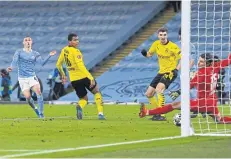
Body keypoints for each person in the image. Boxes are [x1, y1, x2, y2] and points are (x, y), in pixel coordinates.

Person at [139, 53, 231, 124]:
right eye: (199, 60)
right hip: (212, 101)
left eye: (202, 61)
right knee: (220, 120)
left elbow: (190, 85)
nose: (198, 63)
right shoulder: (216, 66)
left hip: (204, 102)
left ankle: (147, 112)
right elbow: (229, 60)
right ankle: (147, 112)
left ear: (208, 63)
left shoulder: (201, 73)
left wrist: (178, 92)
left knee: (175, 105)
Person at [56, 33, 105, 120]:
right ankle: (100, 114)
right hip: (83, 77)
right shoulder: (76, 51)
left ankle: (80, 106)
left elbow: (58, 65)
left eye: (77, 40)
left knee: (84, 99)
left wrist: (63, 75)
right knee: (97, 92)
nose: (77, 42)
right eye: (74, 40)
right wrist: (90, 77)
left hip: (74, 80)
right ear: (69, 41)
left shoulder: (64, 50)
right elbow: (81, 66)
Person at [7, 36, 56, 118]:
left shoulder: (35, 54)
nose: (28, 41)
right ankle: (35, 109)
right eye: (26, 40)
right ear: (23, 43)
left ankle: (41, 114)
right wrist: (11, 67)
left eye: (29, 40)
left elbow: (42, 63)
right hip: (22, 78)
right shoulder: (19, 52)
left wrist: (49, 55)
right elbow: (14, 61)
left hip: (32, 77)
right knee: (28, 97)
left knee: (38, 92)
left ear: (31, 42)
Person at [141, 27, 181, 121]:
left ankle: (162, 115)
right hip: (161, 72)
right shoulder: (156, 44)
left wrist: (176, 69)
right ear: (158, 35)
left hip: (170, 72)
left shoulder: (173, 46)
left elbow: (183, 57)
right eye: (161, 35)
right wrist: (145, 54)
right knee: (148, 94)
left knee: (159, 89)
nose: (163, 37)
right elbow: (149, 55)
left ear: (167, 35)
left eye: (164, 35)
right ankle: (157, 113)